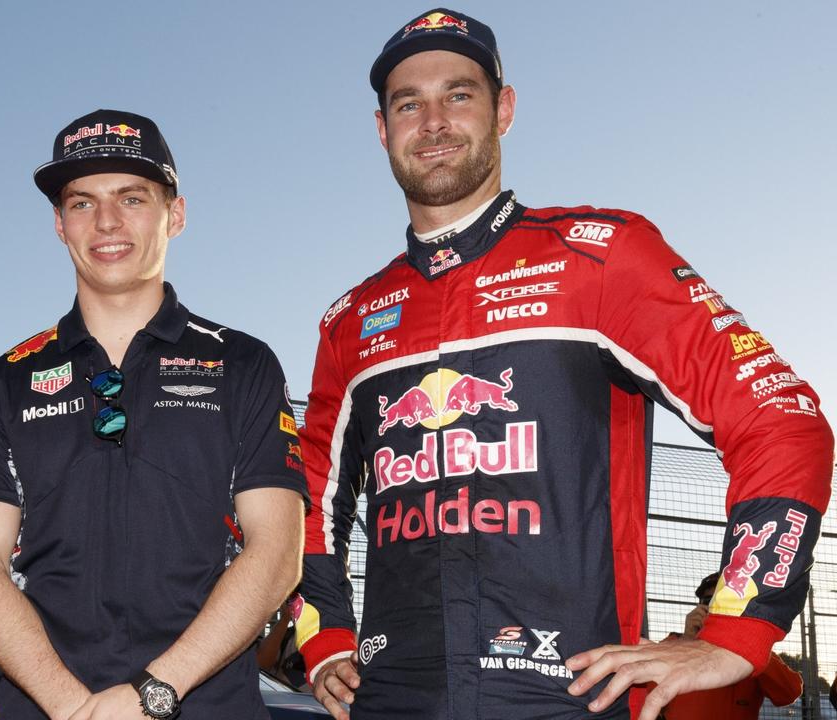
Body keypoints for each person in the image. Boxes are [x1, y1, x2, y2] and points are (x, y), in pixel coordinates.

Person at [294, 8, 833, 720]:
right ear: (381, 128)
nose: (433, 121)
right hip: (391, 700)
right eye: (408, 103)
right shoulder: (351, 319)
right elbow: (306, 494)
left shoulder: (602, 256)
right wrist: (323, 633)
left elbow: (781, 418)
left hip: (570, 696)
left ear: (504, 110)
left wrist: (738, 630)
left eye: (458, 94)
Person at [0, 109, 307, 720]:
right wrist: (73, 708)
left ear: (176, 214)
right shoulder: (6, 380)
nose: (107, 222)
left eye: (131, 197)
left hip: (203, 704)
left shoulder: (243, 363)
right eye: (82, 202)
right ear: (59, 224)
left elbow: (276, 551)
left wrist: (155, 691)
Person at [661, 574, 801, 719]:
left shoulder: (752, 651)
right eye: (710, 601)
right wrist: (686, 643)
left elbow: (789, 693)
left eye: (724, 601)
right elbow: (644, 693)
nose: (716, 608)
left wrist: (751, 642)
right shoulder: (674, 643)